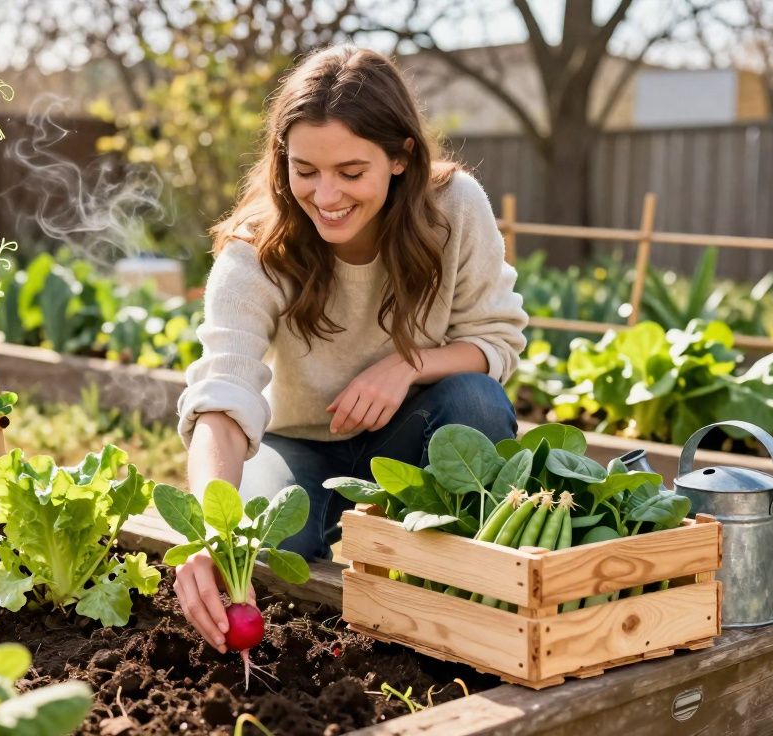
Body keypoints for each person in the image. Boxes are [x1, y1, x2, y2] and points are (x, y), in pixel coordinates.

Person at [172, 45, 528, 654]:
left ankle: (466, 600)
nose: (326, 195)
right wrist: (212, 533)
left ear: (399, 156)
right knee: (262, 550)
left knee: (477, 401)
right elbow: (221, 399)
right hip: (301, 443)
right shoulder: (256, 251)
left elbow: (497, 340)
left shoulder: (455, 209)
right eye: (304, 170)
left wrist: (406, 364)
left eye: (350, 172)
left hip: (414, 431)